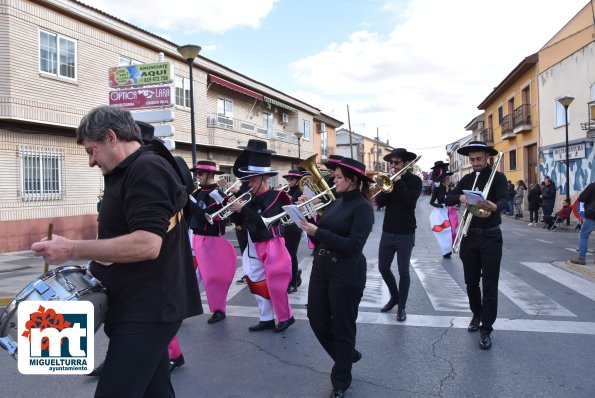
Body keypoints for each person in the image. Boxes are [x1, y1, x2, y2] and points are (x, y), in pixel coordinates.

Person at [31, 106, 202, 397]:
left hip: (148, 309)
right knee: (155, 392)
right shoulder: (127, 171)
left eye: (91, 150)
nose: (90, 161)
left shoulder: (147, 168)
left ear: (111, 137)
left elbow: (147, 244)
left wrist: (72, 248)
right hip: (134, 305)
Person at [299, 157, 375, 398]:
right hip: (322, 266)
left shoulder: (363, 208)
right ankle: (347, 355)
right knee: (316, 318)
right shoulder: (335, 202)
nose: (334, 179)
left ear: (352, 180)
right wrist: (307, 217)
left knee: (343, 326)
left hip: (346, 271)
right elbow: (320, 236)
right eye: (335, 175)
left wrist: (318, 230)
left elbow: (354, 245)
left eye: (340, 176)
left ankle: (341, 380)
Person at [445, 141, 507, 350]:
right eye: (472, 160)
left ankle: (486, 328)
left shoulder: (497, 177)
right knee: (471, 282)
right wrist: (461, 196)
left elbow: (505, 199)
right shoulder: (468, 178)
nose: (475, 163)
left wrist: (495, 206)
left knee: (489, 285)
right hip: (469, 236)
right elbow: (448, 197)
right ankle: (476, 313)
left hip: (491, 236)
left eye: (478, 159)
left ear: (487, 157)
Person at [229, 139, 295, 333]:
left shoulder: (275, 196)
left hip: (272, 242)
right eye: (249, 180)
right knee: (255, 280)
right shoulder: (251, 197)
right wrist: (234, 209)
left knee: (276, 283)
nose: (249, 183)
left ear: (263, 180)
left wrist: (243, 209)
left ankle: (285, 317)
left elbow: (265, 218)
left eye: (252, 180)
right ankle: (266, 317)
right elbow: (241, 221)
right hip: (253, 242)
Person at [375, 148, 422, 321]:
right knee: (383, 267)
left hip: (406, 233)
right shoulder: (389, 181)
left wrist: (399, 183)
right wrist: (383, 189)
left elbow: (410, 202)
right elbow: (379, 203)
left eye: (396, 162)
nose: (393, 166)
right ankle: (394, 297)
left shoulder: (414, 181)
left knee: (403, 271)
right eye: (392, 163)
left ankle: (401, 306)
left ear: (405, 164)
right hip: (388, 230)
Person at [188, 160, 237, 324]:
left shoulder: (218, 194)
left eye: (200, 173)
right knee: (192, 275)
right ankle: (184, 306)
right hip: (195, 236)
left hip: (210, 239)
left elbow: (208, 217)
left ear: (209, 174)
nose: (197, 176)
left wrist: (190, 202)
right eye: (197, 173)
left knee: (211, 278)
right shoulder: (196, 192)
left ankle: (218, 309)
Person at [428, 160, 458, 259]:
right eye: (447, 179)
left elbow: (454, 199)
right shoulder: (437, 190)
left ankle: (449, 248)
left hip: (450, 211)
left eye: (448, 178)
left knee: (452, 231)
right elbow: (431, 202)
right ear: (443, 180)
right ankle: (445, 250)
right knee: (443, 231)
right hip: (440, 212)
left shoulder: (451, 189)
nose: (449, 180)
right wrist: (438, 206)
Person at [282, 169, 305, 294]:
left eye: (291, 179)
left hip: (294, 228)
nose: (289, 181)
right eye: (288, 179)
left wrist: (289, 199)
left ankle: (293, 282)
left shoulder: (300, 192)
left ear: (297, 180)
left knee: (292, 255)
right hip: (285, 226)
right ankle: (294, 275)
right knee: (286, 256)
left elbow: (298, 208)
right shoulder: (287, 191)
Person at [570, 182, 595, 265]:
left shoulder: (592, 186)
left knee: (583, 235)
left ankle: (581, 258)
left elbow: (581, 198)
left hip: (592, 214)